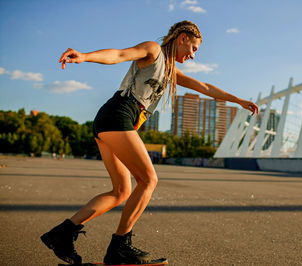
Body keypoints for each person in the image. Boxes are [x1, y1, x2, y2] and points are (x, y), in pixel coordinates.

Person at [40, 20, 259, 265]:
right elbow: (120, 54)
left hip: (112, 122)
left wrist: (238, 100)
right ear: (182, 38)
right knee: (149, 179)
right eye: (193, 48)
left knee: (121, 191)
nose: (193, 55)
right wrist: (84, 57)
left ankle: (62, 234)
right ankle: (120, 247)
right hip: (118, 115)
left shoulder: (171, 71)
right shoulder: (153, 50)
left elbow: (206, 87)